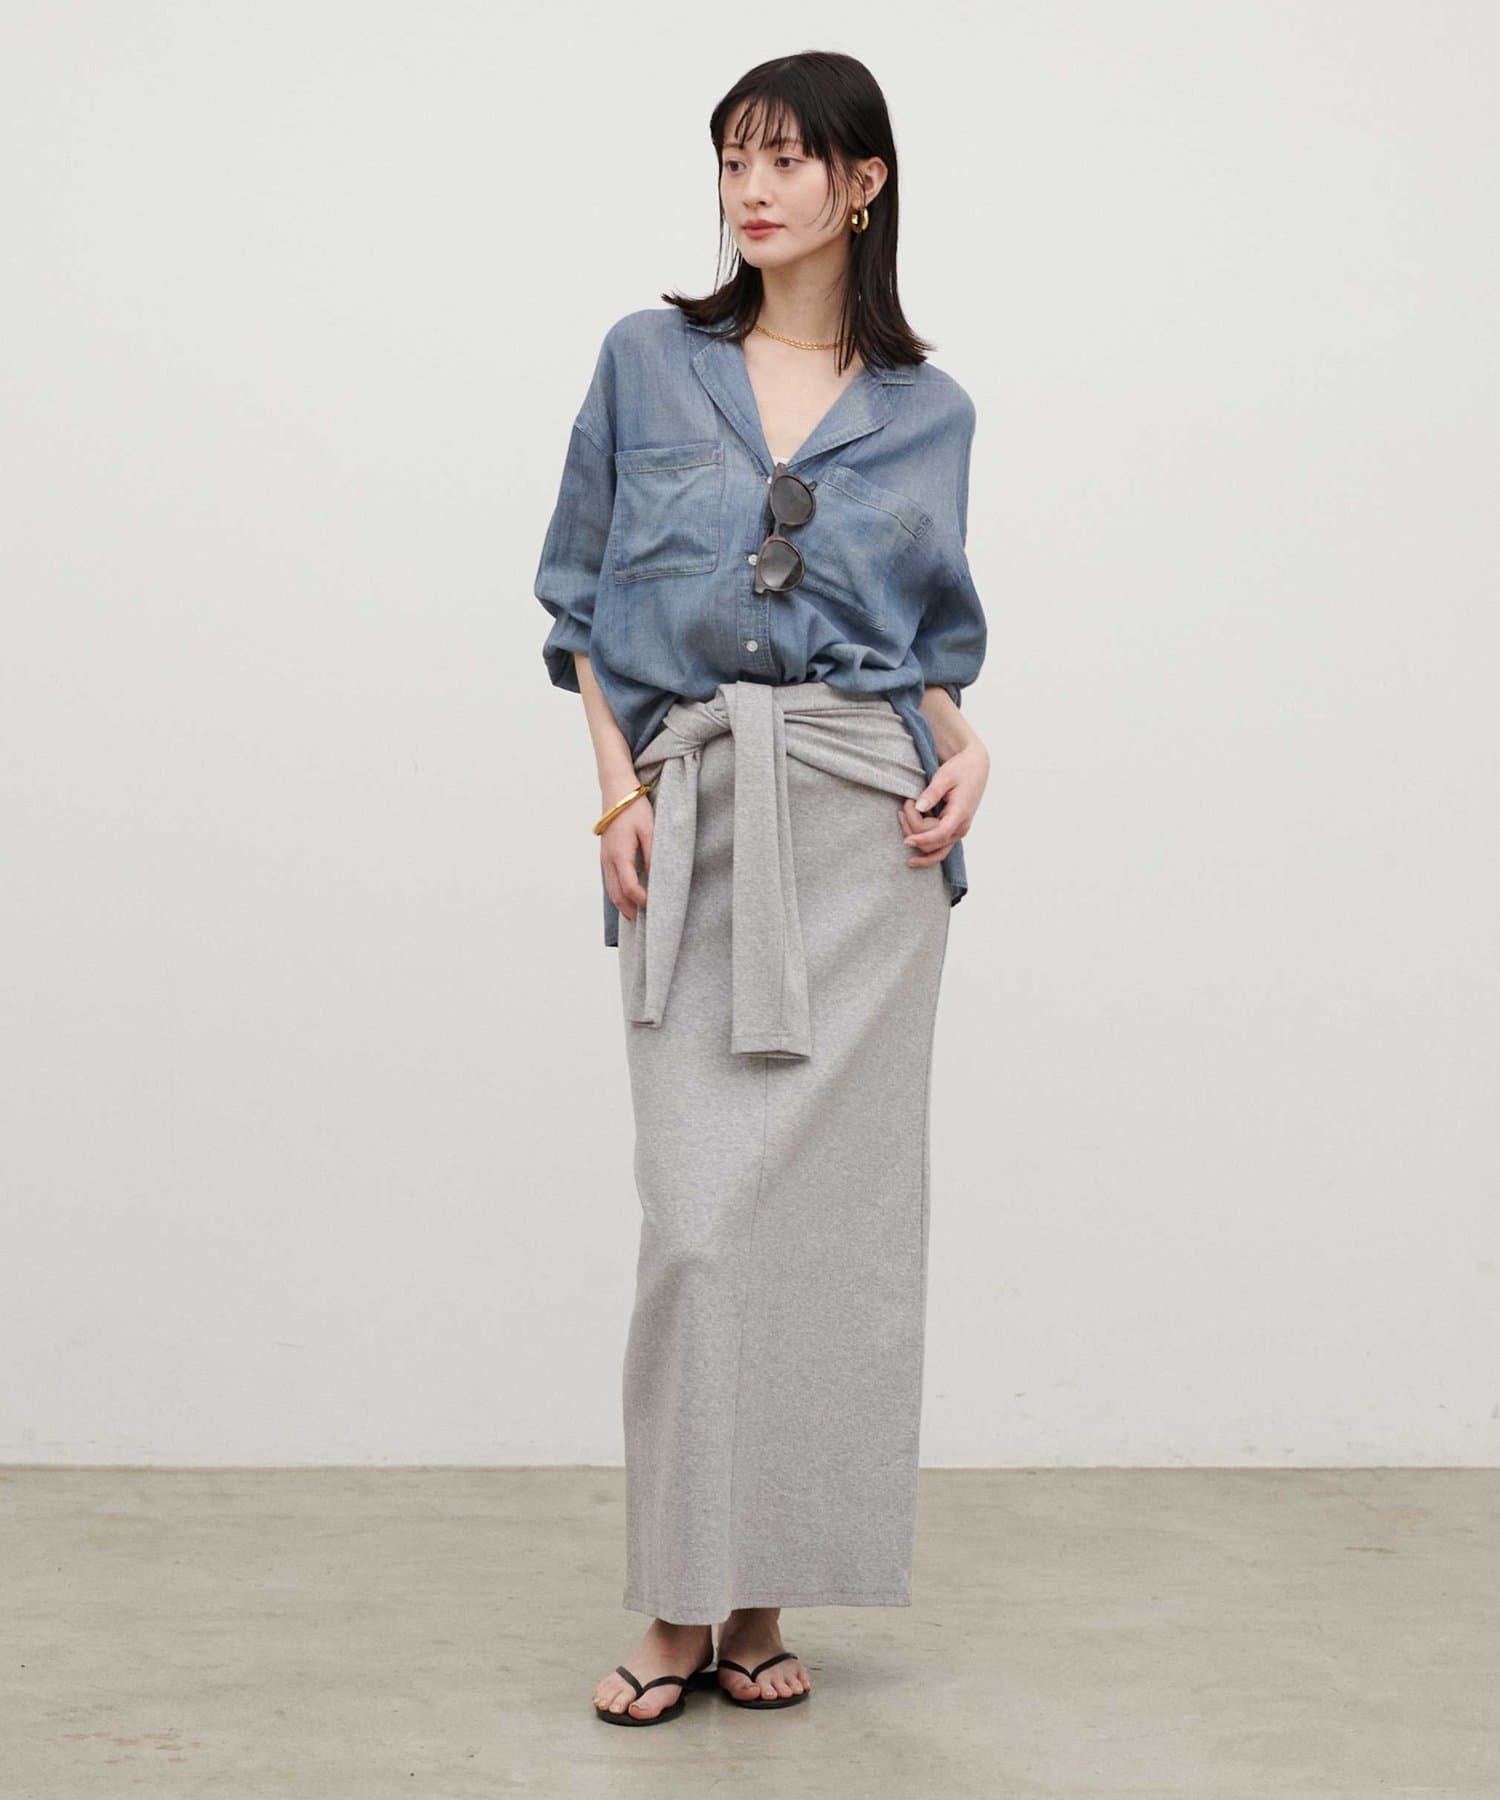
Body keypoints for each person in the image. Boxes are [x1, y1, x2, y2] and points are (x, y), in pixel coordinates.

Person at [533, 51, 991, 1725]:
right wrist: (615, 793)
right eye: (735, 158)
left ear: (865, 181)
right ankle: (675, 1598)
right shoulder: (647, 360)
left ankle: (756, 1604)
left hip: (869, 834)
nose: (755, 188)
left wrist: (971, 748)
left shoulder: (928, 411)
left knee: (821, 1238)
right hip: (699, 810)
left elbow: (925, 641)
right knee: (701, 1226)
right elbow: (579, 607)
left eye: (790, 158)